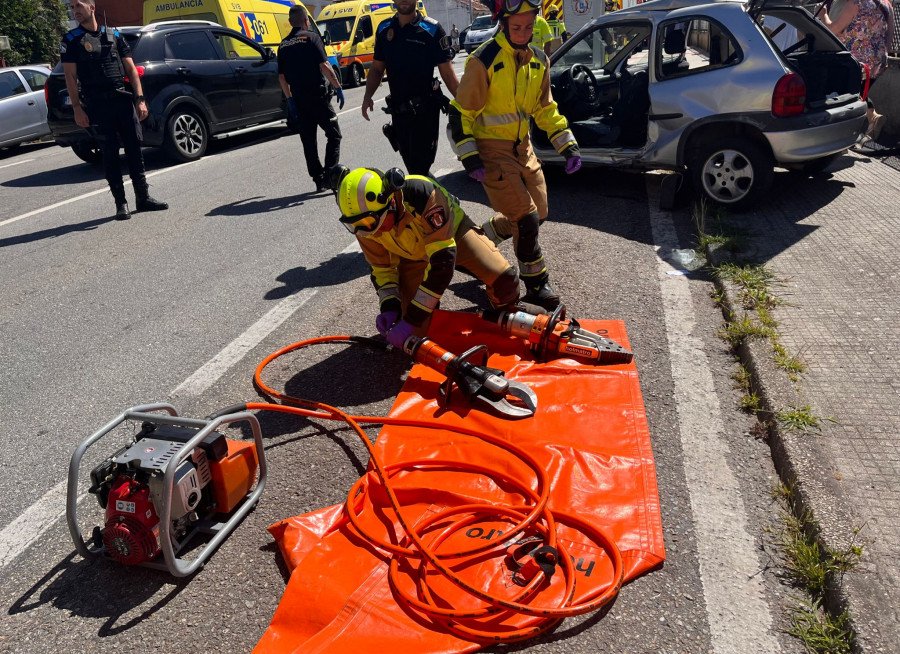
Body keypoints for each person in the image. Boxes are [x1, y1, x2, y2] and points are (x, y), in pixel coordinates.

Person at [448, 0, 582, 310]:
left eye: (529, 27)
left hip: (523, 148)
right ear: (504, 24)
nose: (523, 33)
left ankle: (479, 244)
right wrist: (471, 157)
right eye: (516, 27)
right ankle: (536, 286)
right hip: (492, 151)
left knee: (540, 212)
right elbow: (460, 115)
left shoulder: (538, 60)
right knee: (527, 218)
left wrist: (567, 144)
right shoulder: (483, 61)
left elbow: (545, 108)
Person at [333, 165, 520, 347]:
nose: (368, 232)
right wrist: (390, 307)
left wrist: (413, 318)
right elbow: (382, 269)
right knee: (418, 336)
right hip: (413, 255)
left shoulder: (422, 194)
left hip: (452, 235)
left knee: (504, 281)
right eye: (354, 225)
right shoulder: (365, 224)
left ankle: (491, 233)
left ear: (390, 201)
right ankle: (486, 238)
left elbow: (442, 263)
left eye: (369, 222)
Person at [61, 0, 167, 220]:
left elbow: (131, 69)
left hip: (122, 101)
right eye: (72, 7)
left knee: (134, 149)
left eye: (78, 6)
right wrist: (78, 109)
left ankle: (143, 197)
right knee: (109, 154)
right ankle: (121, 203)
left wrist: (140, 100)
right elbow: (70, 78)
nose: (75, 11)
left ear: (92, 8)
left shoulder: (114, 36)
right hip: (98, 105)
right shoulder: (71, 41)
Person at [361, 0, 459, 176]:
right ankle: (438, 200)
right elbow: (377, 69)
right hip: (399, 113)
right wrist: (367, 96)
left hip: (426, 112)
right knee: (414, 169)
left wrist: (465, 103)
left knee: (420, 167)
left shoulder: (433, 30)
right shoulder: (384, 30)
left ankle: (437, 201)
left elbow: (448, 74)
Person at [278, 4, 346, 193]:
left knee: (308, 141)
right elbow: (324, 65)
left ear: (291, 22)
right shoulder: (312, 38)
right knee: (334, 134)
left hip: (299, 101)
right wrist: (338, 87)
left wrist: (290, 100)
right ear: (307, 20)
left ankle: (318, 179)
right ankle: (331, 174)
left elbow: (282, 77)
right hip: (318, 98)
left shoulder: (283, 45)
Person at [821, 0, 895, 141]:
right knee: (857, 94)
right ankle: (872, 118)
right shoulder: (887, 4)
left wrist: (823, 15)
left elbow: (833, 29)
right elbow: (889, 36)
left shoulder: (855, 3)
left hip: (854, 60)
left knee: (846, 97)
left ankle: (844, 137)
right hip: (876, 61)